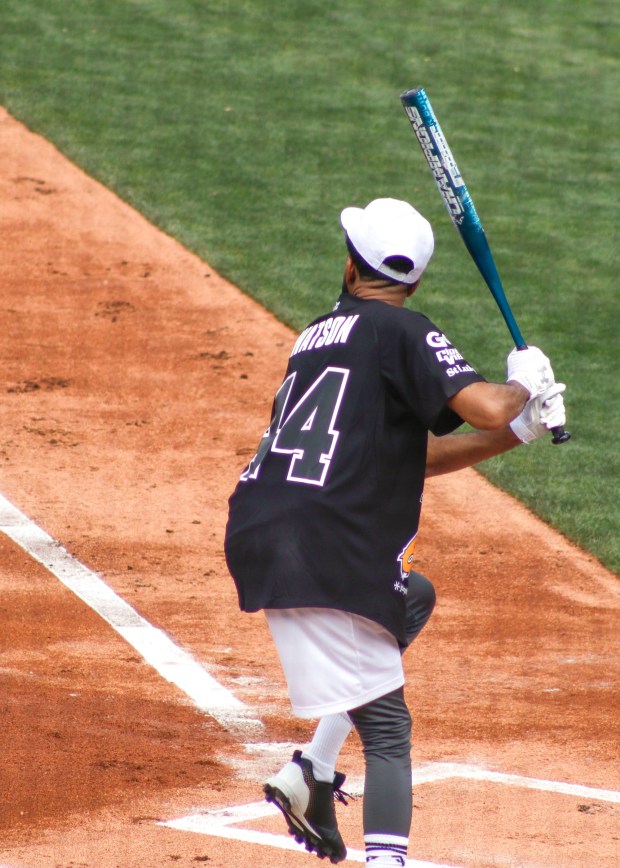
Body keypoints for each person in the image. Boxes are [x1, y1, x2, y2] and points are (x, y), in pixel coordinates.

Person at [224, 197, 566, 866]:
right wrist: (520, 387)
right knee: (388, 731)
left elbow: (408, 460)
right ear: (412, 284)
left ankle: (312, 771)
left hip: (267, 528)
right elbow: (486, 402)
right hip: (327, 546)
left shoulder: (319, 336)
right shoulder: (402, 330)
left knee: (411, 597)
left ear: (352, 269)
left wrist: (514, 434)